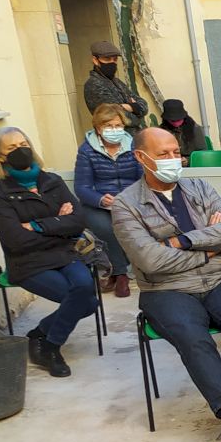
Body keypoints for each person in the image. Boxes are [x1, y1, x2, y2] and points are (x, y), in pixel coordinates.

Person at [113, 128, 221, 442]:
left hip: (218, 280)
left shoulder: (200, 187)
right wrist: (210, 246)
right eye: (163, 154)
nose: (174, 159)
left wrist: (183, 241)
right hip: (166, 290)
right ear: (141, 157)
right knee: (194, 339)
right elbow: (150, 261)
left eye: (176, 152)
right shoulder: (125, 205)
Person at [0, 127, 97, 377]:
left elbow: (78, 221)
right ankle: (51, 348)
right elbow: (15, 239)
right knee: (85, 302)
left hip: (65, 254)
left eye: (23, 144)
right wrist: (59, 225)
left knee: (85, 291)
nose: (20, 150)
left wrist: (36, 226)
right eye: (12, 148)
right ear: (0, 156)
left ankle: (44, 339)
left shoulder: (51, 181)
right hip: (28, 262)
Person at [74, 103, 141, 297]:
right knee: (106, 227)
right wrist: (101, 199)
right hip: (100, 204)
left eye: (118, 125)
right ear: (98, 128)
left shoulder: (134, 146)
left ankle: (116, 273)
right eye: (108, 126)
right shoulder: (87, 150)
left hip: (131, 200)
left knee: (130, 223)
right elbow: (82, 187)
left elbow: (143, 178)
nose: (114, 130)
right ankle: (121, 274)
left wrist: (129, 197)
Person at [83, 41, 149, 133]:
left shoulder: (116, 82)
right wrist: (136, 111)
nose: (112, 62)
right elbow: (121, 117)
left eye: (114, 59)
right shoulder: (94, 85)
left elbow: (144, 105)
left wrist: (129, 107)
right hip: (115, 137)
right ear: (95, 60)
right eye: (107, 59)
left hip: (131, 137)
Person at [157, 99, 205, 165]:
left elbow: (203, 153)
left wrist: (188, 160)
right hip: (169, 164)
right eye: (172, 120)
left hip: (192, 165)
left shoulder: (195, 129)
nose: (176, 122)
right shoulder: (160, 131)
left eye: (178, 120)